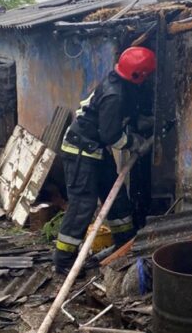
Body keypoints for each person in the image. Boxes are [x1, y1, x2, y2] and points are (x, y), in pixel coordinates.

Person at [53, 46, 156, 275]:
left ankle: (125, 243)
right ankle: (64, 260)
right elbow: (111, 135)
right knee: (83, 205)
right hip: (81, 152)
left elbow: (123, 119)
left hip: (96, 151)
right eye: (148, 75)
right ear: (140, 75)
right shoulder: (114, 94)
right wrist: (134, 143)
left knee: (117, 198)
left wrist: (146, 123)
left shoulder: (124, 85)